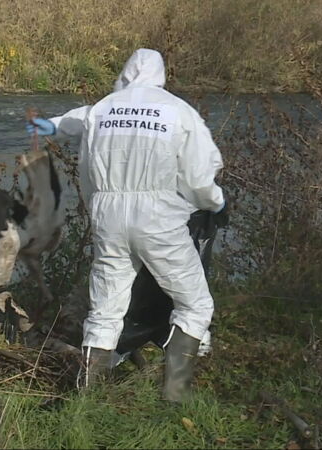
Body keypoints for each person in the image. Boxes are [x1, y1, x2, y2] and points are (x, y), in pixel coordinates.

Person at [26, 48, 227, 402]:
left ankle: (86, 397)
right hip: (159, 216)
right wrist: (216, 203)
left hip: (108, 216)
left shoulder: (105, 107)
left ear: (126, 73)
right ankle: (176, 392)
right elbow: (199, 177)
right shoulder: (178, 112)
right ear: (161, 75)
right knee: (194, 303)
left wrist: (51, 125)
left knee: (106, 306)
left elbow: (77, 120)